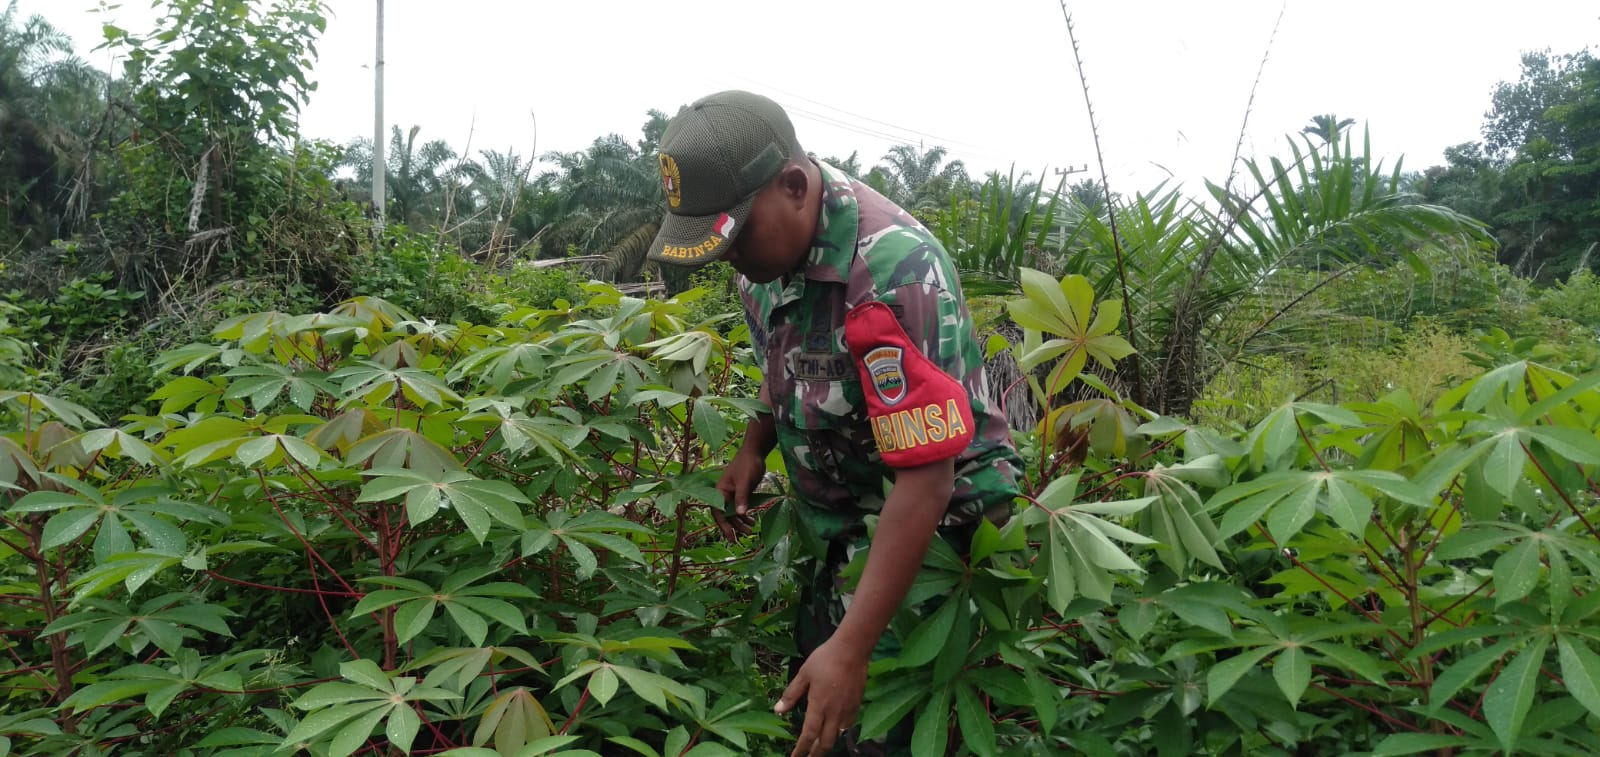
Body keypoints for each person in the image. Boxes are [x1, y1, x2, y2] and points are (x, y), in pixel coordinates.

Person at [644, 90, 1022, 757]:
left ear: (794, 185)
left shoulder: (892, 271)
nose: (729, 260)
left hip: (938, 530)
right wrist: (754, 443)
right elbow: (787, 357)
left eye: (734, 238)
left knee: (878, 732)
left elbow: (928, 480)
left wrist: (852, 648)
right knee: (814, 711)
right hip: (848, 520)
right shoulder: (761, 255)